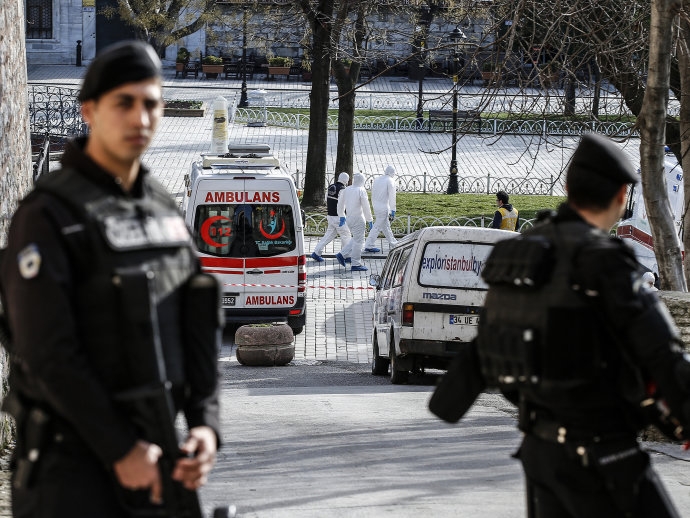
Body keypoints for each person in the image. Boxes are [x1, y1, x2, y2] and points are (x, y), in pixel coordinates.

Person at [0, 40, 221, 517]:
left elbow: (197, 316)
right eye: (124, 103)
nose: (140, 119)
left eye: (150, 104)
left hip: (157, 456)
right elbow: (46, 355)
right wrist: (119, 448)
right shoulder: (47, 216)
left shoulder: (162, 207)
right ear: (89, 111)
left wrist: (205, 423)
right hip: (72, 472)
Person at [469, 133, 690, 517]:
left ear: (569, 188)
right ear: (623, 195)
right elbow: (664, 357)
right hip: (604, 453)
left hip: (540, 450)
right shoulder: (608, 264)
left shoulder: (521, 256)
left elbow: (495, 351)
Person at [335, 172, 373, 272]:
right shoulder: (361, 190)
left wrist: (342, 215)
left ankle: (342, 254)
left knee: (355, 238)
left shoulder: (346, 189)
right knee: (359, 242)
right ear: (362, 181)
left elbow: (340, 204)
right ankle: (356, 263)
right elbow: (366, 207)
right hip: (359, 219)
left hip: (349, 219)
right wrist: (370, 220)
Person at [311, 172, 352, 262]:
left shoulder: (331, 187)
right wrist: (343, 215)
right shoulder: (342, 189)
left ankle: (316, 252)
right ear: (346, 180)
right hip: (339, 217)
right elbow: (342, 204)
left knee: (329, 235)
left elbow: (326, 199)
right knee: (346, 235)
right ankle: (347, 256)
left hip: (330, 215)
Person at [364, 165, 397, 253]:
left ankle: (393, 243)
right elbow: (392, 197)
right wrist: (393, 210)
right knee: (377, 226)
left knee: (386, 226)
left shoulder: (377, 179)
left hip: (376, 205)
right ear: (392, 173)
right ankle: (369, 245)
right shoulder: (390, 181)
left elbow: (373, 193)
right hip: (384, 207)